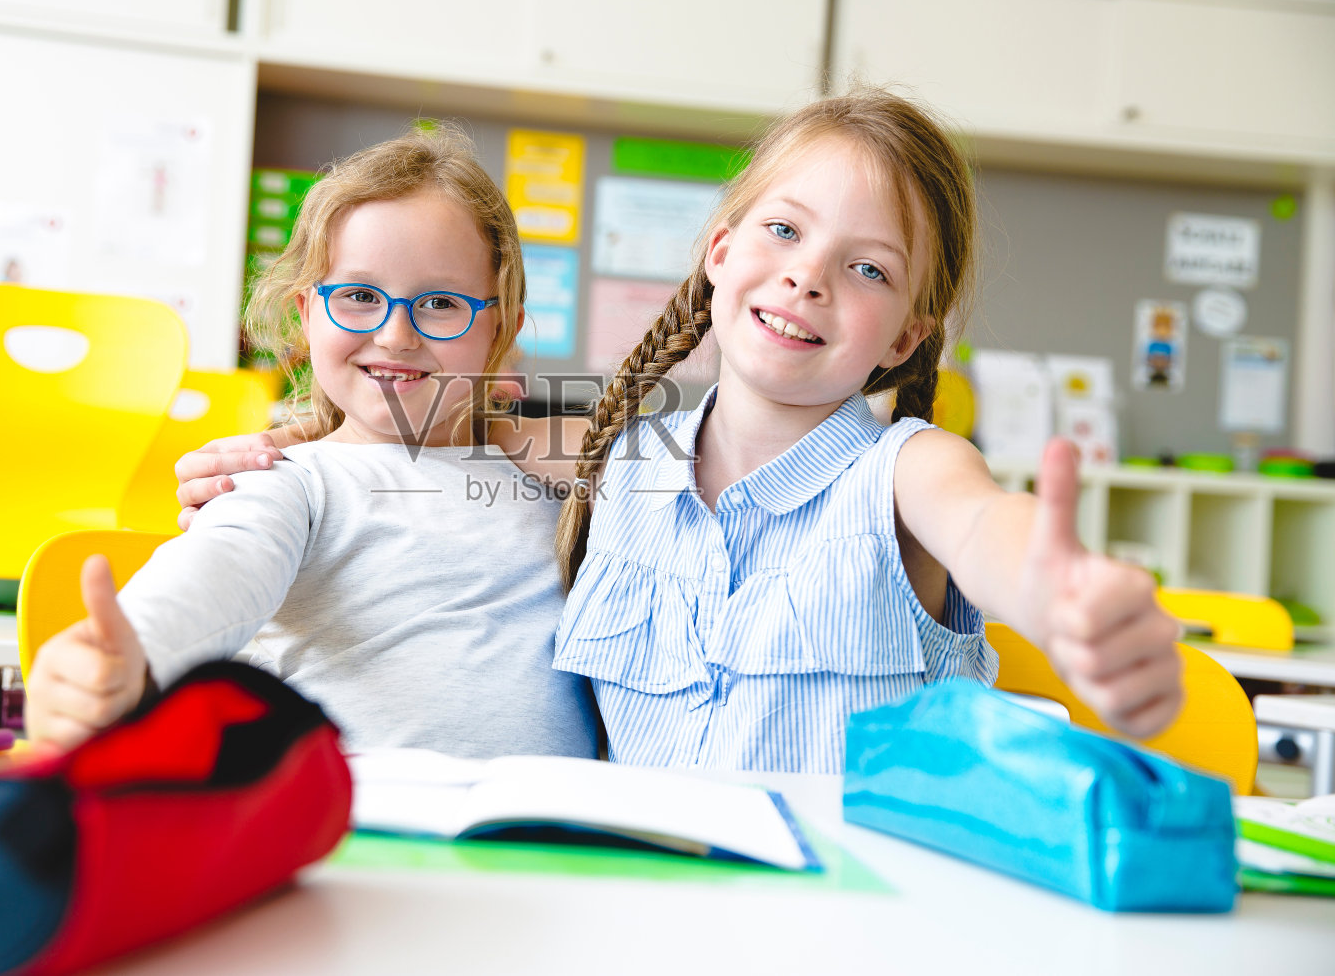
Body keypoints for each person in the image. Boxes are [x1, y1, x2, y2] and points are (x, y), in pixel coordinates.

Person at [176, 90, 1183, 773]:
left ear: (906, 336)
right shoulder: (615, 454)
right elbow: (429, 415)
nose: (808, 275)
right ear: (720, 251)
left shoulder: (909, 470)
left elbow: (986, 524)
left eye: (868, 267)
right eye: (784, 229)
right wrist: (286, 444)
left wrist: (1056, 590)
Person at [25, 128, 599, 760]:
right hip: (367, 813)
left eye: (440, 302)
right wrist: (132, 650)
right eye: (358, 296)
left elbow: (648, 462)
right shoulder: (289, 477)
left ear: (501, 326)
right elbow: (219, 571)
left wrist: (509, 434)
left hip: (549, 818)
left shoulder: (545, 477)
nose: (396, 335)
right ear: (307, 313)